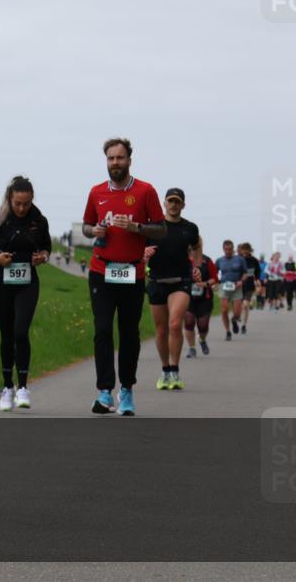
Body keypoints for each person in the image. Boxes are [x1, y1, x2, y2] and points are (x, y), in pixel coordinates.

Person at [82, 138, 165, 416]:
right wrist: (94, 231)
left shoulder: (146, 191)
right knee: (103, 330)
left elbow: (161, 230)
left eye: (119, 158)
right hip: (101, 270)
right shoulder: (96, 192)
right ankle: (104, 391)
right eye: (110, 158)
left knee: (129, 333)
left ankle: (126, 390)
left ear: (129, 160)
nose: (115, 163)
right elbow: (85, 226)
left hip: (132, 272)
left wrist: (137, 227)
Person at [0, 176, 52, 411]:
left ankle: (23, 388)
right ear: (10, 198)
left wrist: (43, 257)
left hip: (28, 283)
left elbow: (47, 246)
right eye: (17, 203)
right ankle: (7, 387)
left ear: (31, 200)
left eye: (26, 203)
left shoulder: (39, 220)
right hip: (3, 282)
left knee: (21, 331)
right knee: (7, 334)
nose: (21, 208)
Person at [143, 188, 199, 391]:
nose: (174, 205)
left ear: (183, 205)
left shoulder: (190, 228)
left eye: (178, 202)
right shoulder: (153, 227)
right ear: (164, 203)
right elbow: (141, 250)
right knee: (161, 330)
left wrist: (197, 267)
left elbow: (197, 243)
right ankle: (165, 370)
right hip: (157, 281)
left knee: (175, 324)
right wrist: (145, 254)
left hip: (180, 281)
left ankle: (175, 370)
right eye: (170, 201)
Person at [184, 242, 219, 359]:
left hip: (205, 298)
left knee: (203, 326)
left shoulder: (207, 261)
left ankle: (202, 339)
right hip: (188, 297)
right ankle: (191, 348)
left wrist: (204, 284)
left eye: (195, 247)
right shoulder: (183, 260)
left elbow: (215, 279)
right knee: (189, 322)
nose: (192, 249)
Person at [215, 240, 248, 341]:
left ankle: (234, 321)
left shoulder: (240, 260)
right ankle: (228, 331)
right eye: (226, 249)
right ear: (223, 249)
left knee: (237, 313)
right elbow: (213, 273)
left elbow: (246, 273)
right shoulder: (219, 260)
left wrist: (241, 281)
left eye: (229, 249)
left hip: (236, 287)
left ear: (233, 249)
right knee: (224, 310)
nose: (227, 251)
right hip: (224, 287)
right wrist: (215, 283)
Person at [239, 243, 260, 334]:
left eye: (246, 249)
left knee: (246, 305)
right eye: (243, 249)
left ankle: (244, 325)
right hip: (238, 285)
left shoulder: (254, 260)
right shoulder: (238, 259)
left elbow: (257, 272)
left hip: (249, 285)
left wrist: (258, 280)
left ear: (250, 250)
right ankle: (238, 317)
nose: (244, 251)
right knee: (240, 306)